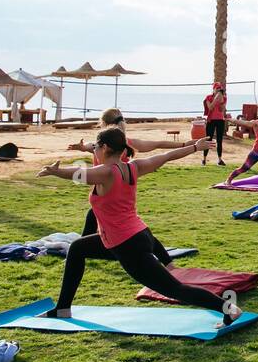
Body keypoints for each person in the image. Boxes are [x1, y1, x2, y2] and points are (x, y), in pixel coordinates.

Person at [37, 127, 241, 326]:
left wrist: (57, 171)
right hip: (136, 235)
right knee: (78, 248)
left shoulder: (106, 172)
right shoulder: (133, 167)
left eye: (95, 147)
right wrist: (195, 148)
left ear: (105, 148)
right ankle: (63, 308)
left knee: (175, 289)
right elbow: (167, 156)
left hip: (128, 244)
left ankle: (228, 309)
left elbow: (80, 174)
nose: (94, 151)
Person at [67, 108, 185, 264]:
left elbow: (159, 146)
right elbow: (159, 146)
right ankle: (167, 263)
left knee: (131, 232)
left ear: (104, 123)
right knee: (87, 239)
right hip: (113, 195)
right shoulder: (116, 143)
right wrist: (188, 145)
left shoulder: (107, 145)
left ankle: (164, 262)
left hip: (109, 198)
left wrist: (57, 170)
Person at [201, 83, 228, 166]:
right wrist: (216, 99)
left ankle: (220, 160)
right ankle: (204, 159)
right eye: (217, 89)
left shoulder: (224, 98)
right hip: (211, 120)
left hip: (220, 120)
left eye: (220, 89)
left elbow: (222, 109)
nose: (218, 91)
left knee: (220, 141)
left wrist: (222, 100)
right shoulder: (208, 97)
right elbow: (211, 107)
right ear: (213, 89)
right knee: (208, 139)